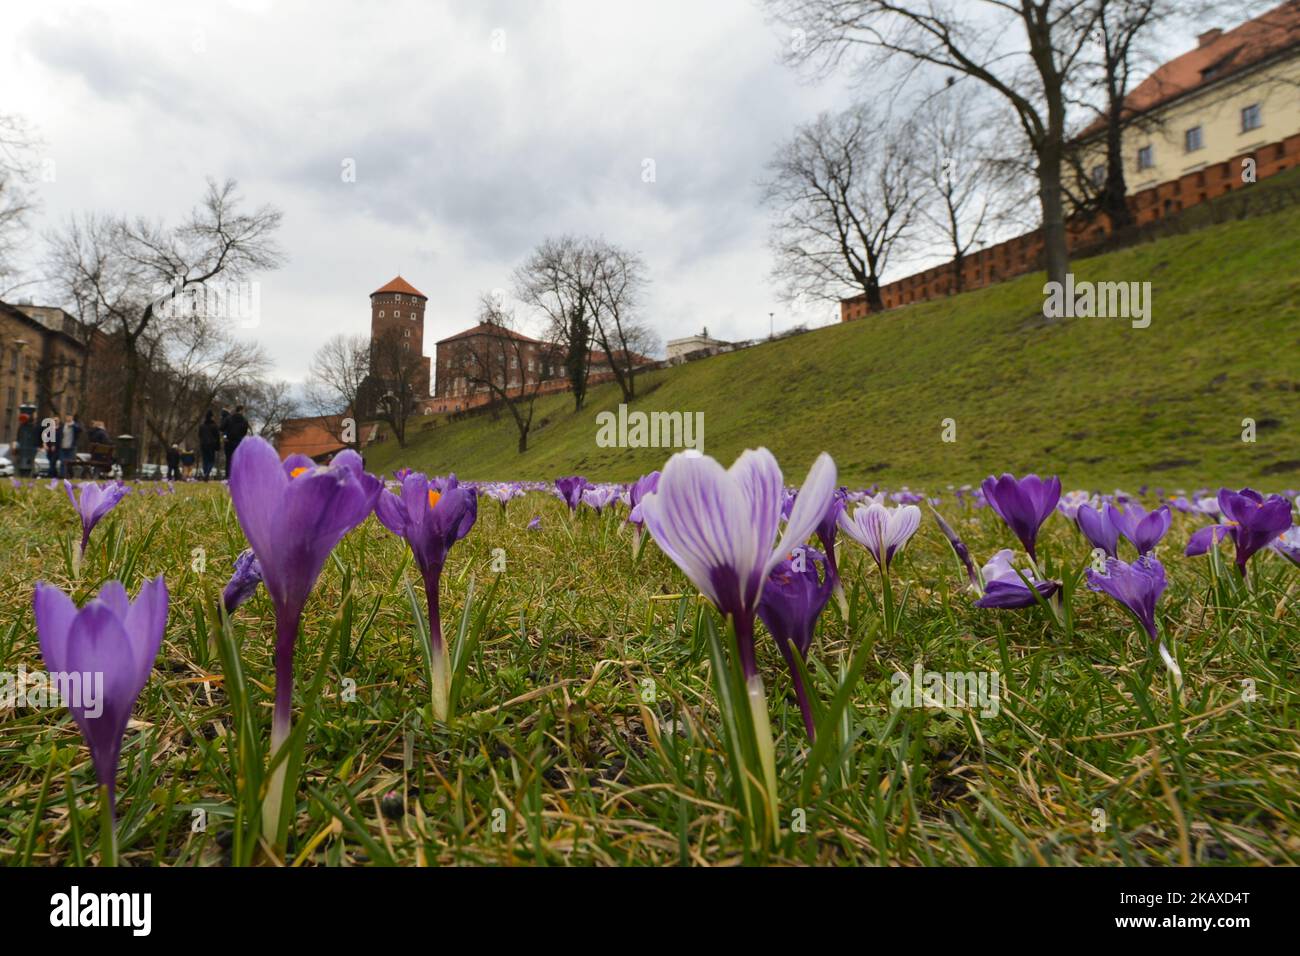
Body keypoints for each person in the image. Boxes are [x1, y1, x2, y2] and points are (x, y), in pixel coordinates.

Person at [223, 405, 250, 470]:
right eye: (243, 411)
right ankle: (236, 474)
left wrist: (225, 436)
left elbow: (222, 428)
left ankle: (227, 475)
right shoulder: (245, 421)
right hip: (239, 441)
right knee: (238, 458)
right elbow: (244, 432)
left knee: (229, 458)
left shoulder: (228, 418)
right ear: (241, 410)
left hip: (229, 441)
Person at [57, 414, 81, 478]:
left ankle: (70, 475)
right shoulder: (63, 426)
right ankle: (62, 476)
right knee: (62, 462)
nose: (68, 418)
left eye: (69, 417)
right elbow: (59, 435)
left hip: (71, 448)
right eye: (67, 417)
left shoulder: (75, 426)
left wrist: (73, 425)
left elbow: (79, 429)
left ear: (72, 418)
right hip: (63, 446)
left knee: (70, 463)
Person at [198, 410, 221, 480]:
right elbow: (217, 437)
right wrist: (218, 446)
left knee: (205, 461)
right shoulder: (214, 426)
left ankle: (205, 474)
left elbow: (199, 435)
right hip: (211, 445)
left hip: (203, 445)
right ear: (211, 417)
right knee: (211, 461)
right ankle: (207, 473)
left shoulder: (202, 426)